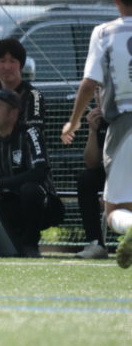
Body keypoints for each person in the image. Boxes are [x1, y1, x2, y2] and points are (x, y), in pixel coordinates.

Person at [61, 0, 132, 269]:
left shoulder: (105, 33)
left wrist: (74, 121)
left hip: (125, 126)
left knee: (114, 208)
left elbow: (89, 82)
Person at [0, 89, 64, 258]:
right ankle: (7, 246)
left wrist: (1, 184)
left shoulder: (30, 133)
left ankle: (30, 245)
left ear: (13, 113)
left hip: (45, 206)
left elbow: (39, 172)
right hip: (10, 204)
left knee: (30, 189)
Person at [0, 39, 45, 149]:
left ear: (21, 65)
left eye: (12, 61)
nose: (7, 67)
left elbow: (33, 136)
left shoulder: (33, 96)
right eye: (2, 61)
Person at [75, 104, 108, 259]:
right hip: (111, 172)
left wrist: (114, 190)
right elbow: (92, 163)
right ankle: (95, 243)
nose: (99, 96)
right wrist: (93, 131)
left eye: (102, 92)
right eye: (96, 92)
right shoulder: (100, 119)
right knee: (86, 179)